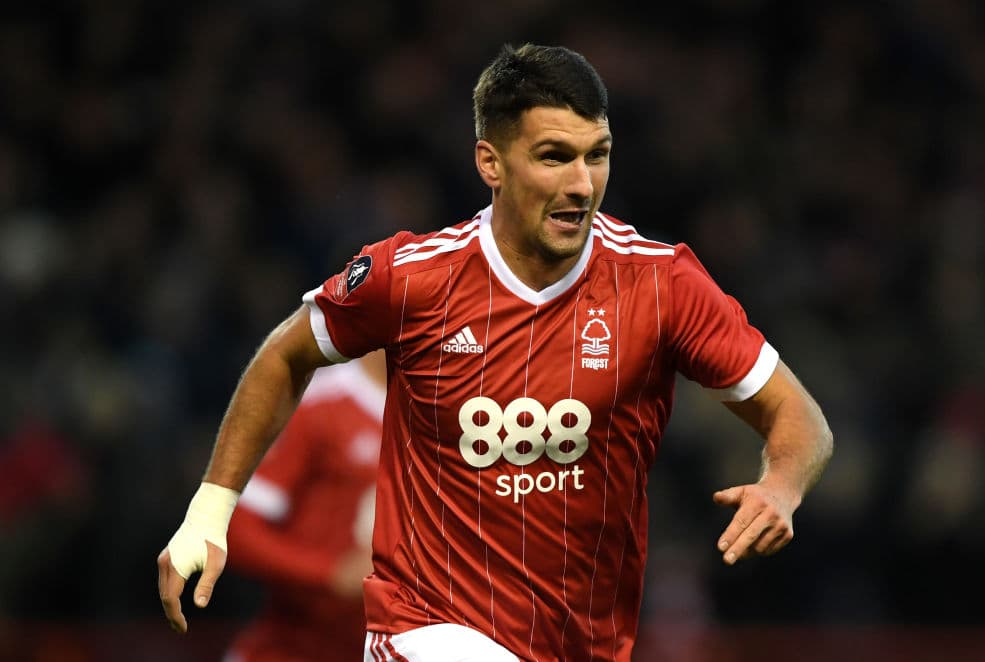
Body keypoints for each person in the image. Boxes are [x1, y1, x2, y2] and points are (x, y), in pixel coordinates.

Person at [158, 43, 833, 661]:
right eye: (553, 156)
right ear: (491, 163)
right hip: (424, 627)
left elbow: (800, 420)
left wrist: (782, 485)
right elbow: (285, 354)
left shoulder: (662, 285)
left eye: (596, 154)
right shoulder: (412, 278)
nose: (581, 184)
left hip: (583, 642)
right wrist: (208, 514)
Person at [221, 349, 386, 662]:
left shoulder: (463, 410)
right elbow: (234, 530)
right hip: (294, 648)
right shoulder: (316, 402)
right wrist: (331, 573)